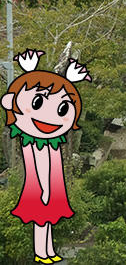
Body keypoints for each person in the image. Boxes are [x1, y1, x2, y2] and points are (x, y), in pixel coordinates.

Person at [2, 49, 91, 264]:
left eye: (62, 108)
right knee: (41, 222)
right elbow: (36, 167)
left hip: (51, 188)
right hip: (39, 190)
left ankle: (47, 251)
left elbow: (53, 167)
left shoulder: (52, 144)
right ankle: (42, 252)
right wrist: (44, 190)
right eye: (37, 103)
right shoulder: (32, 143)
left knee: (47, 222)